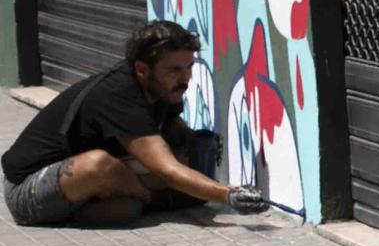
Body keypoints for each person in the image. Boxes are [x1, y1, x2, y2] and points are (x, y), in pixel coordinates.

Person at [2, 21, 267, 226]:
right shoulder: (118, 94)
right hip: (28, 190)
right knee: (100, 165)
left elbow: (173, 131)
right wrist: (229, 194)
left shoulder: (163, 87)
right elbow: (167, 170)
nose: (185, 79)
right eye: (175, 70)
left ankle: (126, 198)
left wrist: (191, 141)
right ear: (142, 69)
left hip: (88, 176)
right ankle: (150, 197)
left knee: (128, 206)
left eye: (189, 67)